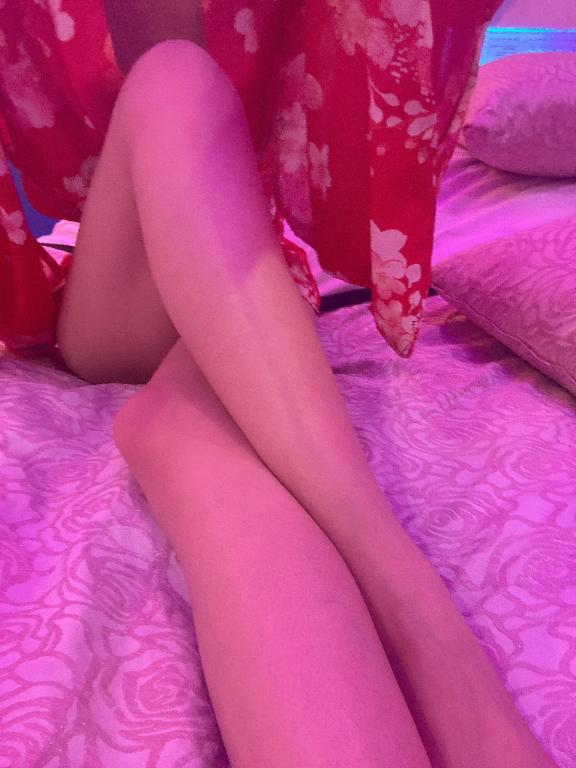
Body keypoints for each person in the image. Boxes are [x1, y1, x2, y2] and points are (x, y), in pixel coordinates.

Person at [0, 2, 556, 767]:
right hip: (110, 299)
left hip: (241, 271)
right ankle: (418, 612)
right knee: (176, 77)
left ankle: (171, 427)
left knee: (196, 437)